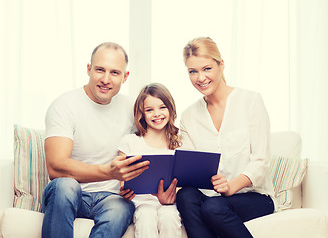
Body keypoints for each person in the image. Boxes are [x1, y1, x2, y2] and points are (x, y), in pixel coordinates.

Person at [41, 42, 150, 238]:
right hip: (72, 194)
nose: (106, 79)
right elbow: (56, 167)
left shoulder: (132, 108)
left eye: (115, 73)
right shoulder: (64, 105)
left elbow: (150, 149)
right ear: (89, 69)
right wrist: (109, 172)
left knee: (121, 208)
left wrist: (133, 185)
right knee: (65, 185)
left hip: (112, 198)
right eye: (100, 70)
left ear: (125, 77)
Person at [175, 37, 276, 238]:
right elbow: (191, 169)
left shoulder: (250, 101)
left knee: (213, 208)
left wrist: (231, 186)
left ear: (221, 65)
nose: (200, 78)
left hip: (253, 196)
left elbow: (261, 162)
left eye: (206, 69)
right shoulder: (189, 116)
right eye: (192, 72)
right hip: (211, 197)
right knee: (185, 195)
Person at [118, 83, 183, 238]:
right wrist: (124, 191)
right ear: (142, 114)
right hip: (141, 203)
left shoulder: (179, 144)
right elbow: (121, 179)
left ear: (170, 109)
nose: (156, 114)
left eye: (162, 107)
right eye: (149, 110)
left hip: (168, 204)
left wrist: (171, 196)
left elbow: (184, 182)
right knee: (146, 216)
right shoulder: (129, 142)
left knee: (170, 217)